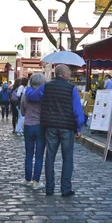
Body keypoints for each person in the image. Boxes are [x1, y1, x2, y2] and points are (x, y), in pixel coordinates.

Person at [26, 64, 85, 197]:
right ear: (63, 74)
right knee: (67, 158)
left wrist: (27, 89)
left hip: (51, 126)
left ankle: (49, 188)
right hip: (67, 127)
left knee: (50, 157)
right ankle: (65, 189)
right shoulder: (72, 89)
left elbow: (33, 96)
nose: (70, 74)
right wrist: (79, 127)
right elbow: (77, 110)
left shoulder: (46, 86)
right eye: (69, 72)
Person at [20, 73, 46, 190]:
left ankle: (27, 179)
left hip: (28, 126)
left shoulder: (26, 95)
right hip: (41, 126)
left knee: (29, 154)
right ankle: (36, 181)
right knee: (39, 155)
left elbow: (22, 112)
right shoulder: (44, 96)